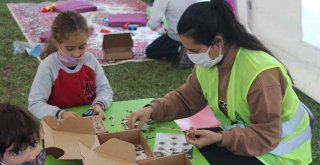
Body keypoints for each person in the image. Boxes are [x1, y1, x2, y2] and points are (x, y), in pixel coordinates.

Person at [128, 0, 312, 164]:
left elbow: (265, 136)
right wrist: (152, 109)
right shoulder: (210, 62)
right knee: (185, 152)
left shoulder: (261, 74)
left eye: (194, 50)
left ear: (218, 42)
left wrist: (220, 138)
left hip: (278, 154)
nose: (190, 56)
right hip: (244, 138)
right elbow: (185, 99)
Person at [28, 11, 113, 120]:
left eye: (82, 47)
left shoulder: (90, 60)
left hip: (90, 120)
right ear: (56, 42)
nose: (77, 54)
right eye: (70, 49)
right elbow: (35, 104)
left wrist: (99, 105)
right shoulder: (48, 66)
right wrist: (60, 114)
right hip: (60, 124)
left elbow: (105, 89)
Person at [146, 0, 196, 68]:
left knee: (150, 51)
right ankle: (193, 48)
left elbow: (153, 24)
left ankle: (180, 50)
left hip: (177, 36)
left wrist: (149, 20)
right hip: (196, 35)